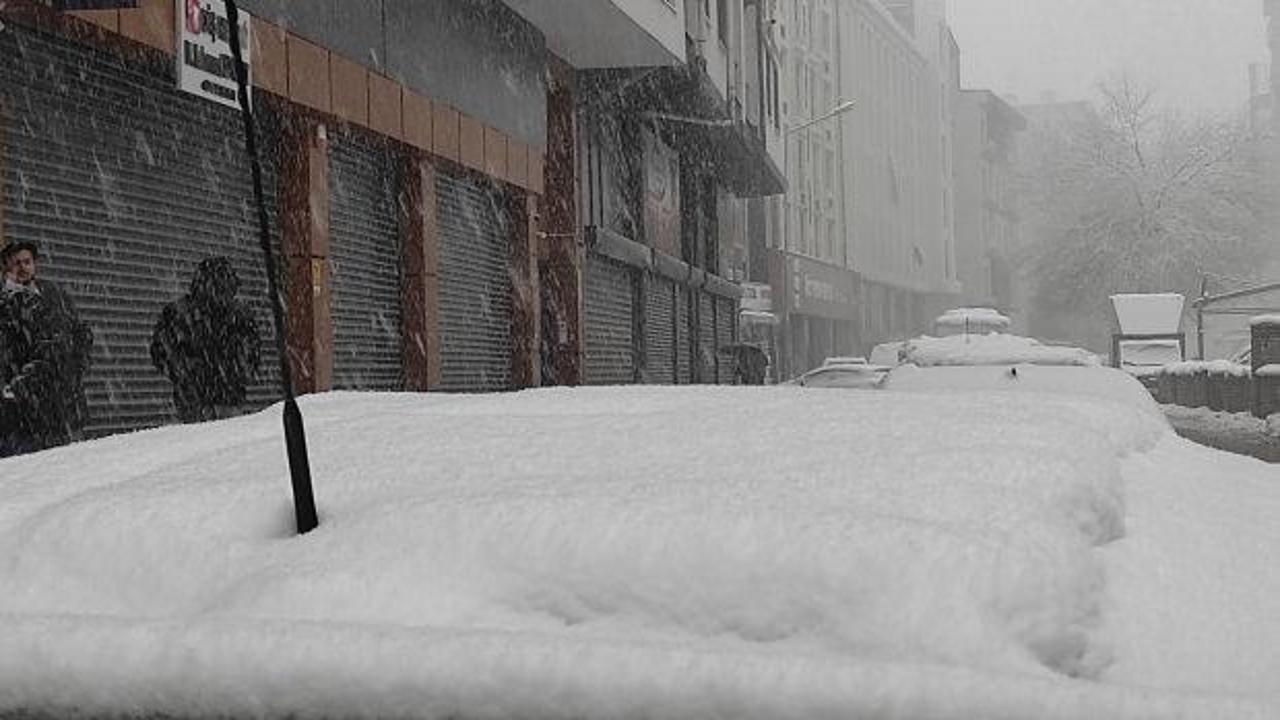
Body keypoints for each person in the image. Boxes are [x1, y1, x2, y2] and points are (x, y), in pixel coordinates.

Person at [0, 241, 93, 454]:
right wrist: (15, 384)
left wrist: (78, 365)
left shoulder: (54, 294)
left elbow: (79, 332)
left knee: (67, 466)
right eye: (16, 263)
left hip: (62, 403)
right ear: (5, 267)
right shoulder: (4, 302)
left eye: (27, 262)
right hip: (19, 409)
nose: (23, 267)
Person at [150, 257, 262, 423]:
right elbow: (253, 354)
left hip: (200, 400)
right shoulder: (239, 316)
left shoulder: (179, 313)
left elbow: (160, 351)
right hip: (217, 400)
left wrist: (184, 373)